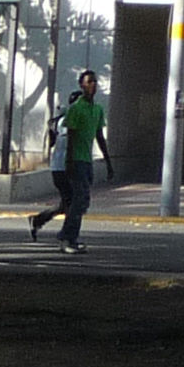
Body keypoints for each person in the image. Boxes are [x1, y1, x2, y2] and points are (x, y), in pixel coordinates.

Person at [55, 69, 109, 254]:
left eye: (94, 81)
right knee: (78, 200)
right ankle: (67, 237)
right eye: (89, 82)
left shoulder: (97, 109)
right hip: (76, 160)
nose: (92, 85)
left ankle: (69, 235)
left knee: (83, 202)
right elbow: (71, 137)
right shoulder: (76, 108)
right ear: (82, 85)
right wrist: (68, 163)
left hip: (87, 161)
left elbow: (99, 136)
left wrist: (108, 161)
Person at [29, 90, 80, 243]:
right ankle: (67, 235)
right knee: (72, 202)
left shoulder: (60, 120)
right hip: (63, 167)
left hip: (60, 166)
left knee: (67, 203)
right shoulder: (66, 121)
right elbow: (69, 141)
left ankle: (39, 219)